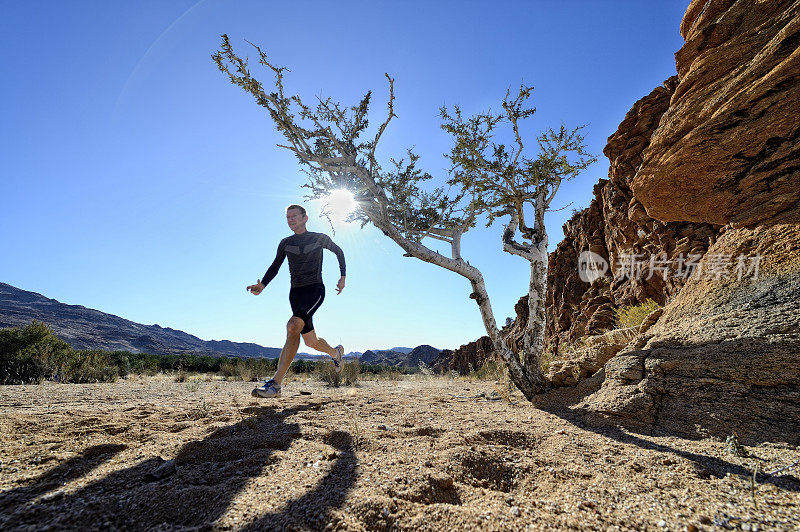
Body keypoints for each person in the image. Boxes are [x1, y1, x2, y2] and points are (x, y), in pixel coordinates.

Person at [246, 204, 346, 398]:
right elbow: (275, 266)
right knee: (310, 341)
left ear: (305, 218)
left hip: (315, 290)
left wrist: (343, 277)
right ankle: (336, 354)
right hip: (295, 294)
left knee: (292, 326)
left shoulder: (319, 238)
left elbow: (339, 252)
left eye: (294, 216)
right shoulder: (285, 243)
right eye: (288, 217)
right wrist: (263, 285)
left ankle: (275, 384)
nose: (290, 220)